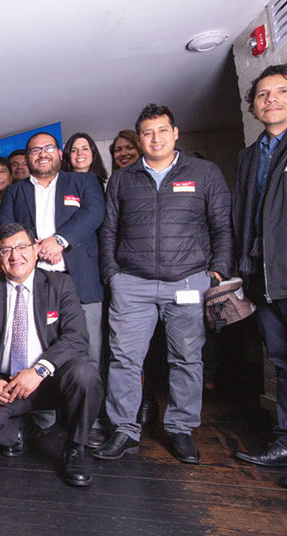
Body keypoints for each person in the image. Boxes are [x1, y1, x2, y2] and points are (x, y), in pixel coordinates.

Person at [95, 104, 232, 464]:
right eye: (147, 133)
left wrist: (217, 272)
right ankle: (123, 431)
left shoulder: (204, 172)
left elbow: (221, 226)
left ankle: (180, 428)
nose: (155, 138)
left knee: (187, 359)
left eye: (161, 130)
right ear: (139, 139)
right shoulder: (123, 179)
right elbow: (109, 231)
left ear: (175, 133)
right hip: (132, 284)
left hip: (187, 281)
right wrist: (112, 275)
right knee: (124, 360)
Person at [0, 223, 102, 486]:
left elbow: (76, 336)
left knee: (85, 375)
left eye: (22, 247)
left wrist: (39, 371)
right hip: (7, 384)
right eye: (6, 251)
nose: (15, 256)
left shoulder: (59, 284)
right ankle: (22, 432)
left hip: (51, 379)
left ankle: (75, 448)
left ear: (36, 250)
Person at [0, 132, 105, 368]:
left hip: (81, 280)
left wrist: (59, 241)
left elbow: (95, 212)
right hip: (37, 282)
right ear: (27, 158)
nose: (42, 154)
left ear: (58, 153)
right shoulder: (15, 191)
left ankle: (92, 394)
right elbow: (5, 226)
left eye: (47, 148)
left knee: (89, 353)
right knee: (41, 350)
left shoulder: (83, 181)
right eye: (35, 150)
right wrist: (33, 248)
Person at [232, 65, 287, 482]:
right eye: (263, 94)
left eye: (281, 91)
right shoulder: (249, 157)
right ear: (253, 106)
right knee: (282, 361)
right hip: (263, 277)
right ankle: (284, 440)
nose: (271, 100)